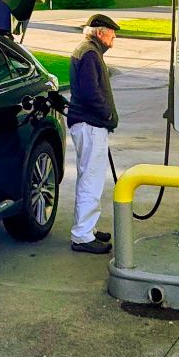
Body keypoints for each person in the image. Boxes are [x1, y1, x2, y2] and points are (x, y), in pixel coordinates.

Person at [66, 13, 119, 254]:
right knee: (91, 180)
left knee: (89, 177)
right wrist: (106, 115)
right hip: (90, 125)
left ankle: (88, 228)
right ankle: (82, 235)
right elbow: (91, 93)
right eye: (111, 33)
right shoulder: (89, 53)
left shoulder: (88, 50)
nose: (114, 37)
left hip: (88, 124)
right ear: (100, 33)